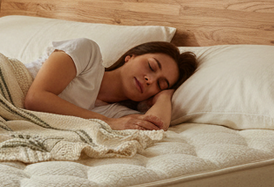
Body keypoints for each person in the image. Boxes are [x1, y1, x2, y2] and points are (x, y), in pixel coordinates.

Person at [22, 39, 198, 130]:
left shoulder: (117, 114)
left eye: (160, 84)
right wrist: (108, 123)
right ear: (131, 56)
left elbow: (154, 129)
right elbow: (36, 98)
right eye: (151, 66)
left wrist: (164, 97)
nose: (150, 80)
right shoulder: (87, 52)